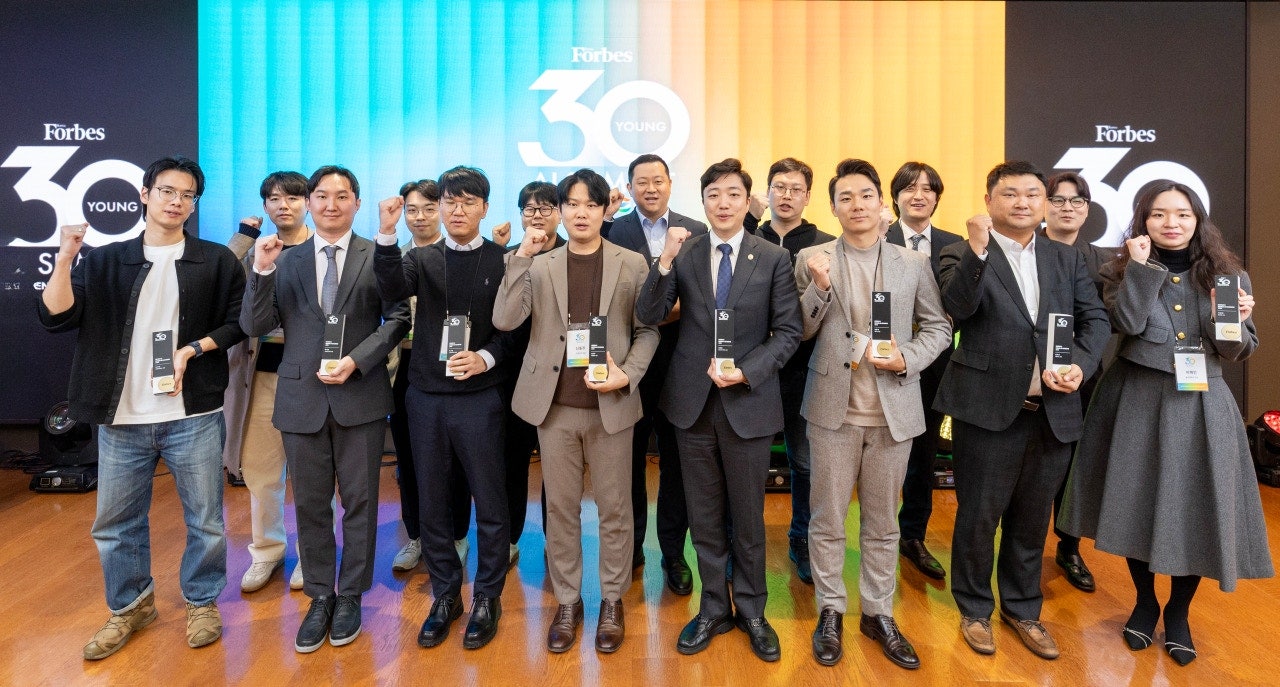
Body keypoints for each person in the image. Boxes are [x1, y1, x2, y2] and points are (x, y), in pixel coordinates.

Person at [39, 156, 246, 659]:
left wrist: (193, 349)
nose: (177, 202)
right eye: (168, 191)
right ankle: (131, 606)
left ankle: (201, 601)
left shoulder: (215, 260)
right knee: (115, 523)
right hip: (123, 418)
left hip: (191, 414)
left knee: (206, 521)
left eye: (188, 195)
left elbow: (239, 322)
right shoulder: (106, 259)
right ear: (144, 193)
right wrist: (66, 256)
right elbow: (56, 316)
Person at [1061, 180, 1273, 666]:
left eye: (1181, 214)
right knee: (1137, 505)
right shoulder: (1119, 271)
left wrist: (1238, 321)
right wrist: (1141, 268)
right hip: (1135, 399)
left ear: (1198, 221)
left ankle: (1178, 614)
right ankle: (1144, 602)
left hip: (1201, 407)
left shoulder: (1228, 275)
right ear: (1142, 221)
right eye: (1158, 214)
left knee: (1194, 512)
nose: (1170, 223)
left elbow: (1235, 351)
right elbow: (1130, 325)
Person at [933, 161, 1109, 661]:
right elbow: (958, 307)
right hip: (987, 409)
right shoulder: (959, 252)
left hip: (1053, 409)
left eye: (1035, 194)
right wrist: (978, 250)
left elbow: (1094, 319)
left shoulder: (1065, 257)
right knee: (978, 517)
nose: (1024, 202)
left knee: (1032, 520)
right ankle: (973, 608)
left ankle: (1023, 609)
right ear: (990, 201)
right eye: (1011, 194)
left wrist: (1079, 364)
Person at [636, 158, 801, 662]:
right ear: (703, 202)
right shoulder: (685, 254)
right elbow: (648, 313)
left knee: (748, 517)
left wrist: (747, 370)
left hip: (747, 402)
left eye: (733, 194)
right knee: (704, 515)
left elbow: (789, 332)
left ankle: (752, 609)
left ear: (748, 201)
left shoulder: (771, 257)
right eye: (713, 195)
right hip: (691, 404)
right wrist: (662, 262)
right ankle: (713, 607)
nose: (723, 203)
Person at [241, 165, 410, 653]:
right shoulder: (284, 258)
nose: (331, 204)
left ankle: (351, 594)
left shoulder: (374, 253)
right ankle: (319, 595)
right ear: (309, 204)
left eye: (342, 196)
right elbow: (255, 324)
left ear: (356, 203)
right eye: (321, 196)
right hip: (301, 399)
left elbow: (398, 316)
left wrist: (358, 360)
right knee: (311, 504)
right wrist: (262, 270)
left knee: (360, 503)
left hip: (360, 395)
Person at [494, 168, 658, 654]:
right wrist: (522, 255)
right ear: (560, 211)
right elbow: (505, 319)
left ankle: (611, 599)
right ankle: (568, 600)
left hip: (611, 405)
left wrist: (627, 372)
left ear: (607, 209)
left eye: (591, 204)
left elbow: (649, 330)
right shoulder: (540, 264)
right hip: (555, 407)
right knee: (560, 509)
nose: (581, 213)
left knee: (615, 509)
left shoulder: (631, 263)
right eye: (572, 204)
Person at [795, 159, 951, 669]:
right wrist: (817, 288)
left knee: (883, 524)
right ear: (834, 205)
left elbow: (938, 329)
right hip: (831, 411)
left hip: (893, 411)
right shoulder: (813, 257)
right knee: (827, 519)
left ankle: (878, 612)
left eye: (866, 196)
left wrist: (908, 358)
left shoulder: (912, 263)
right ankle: (831, 610)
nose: (857, 205)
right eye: (846, 197)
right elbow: (799, 331)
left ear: (881, 203)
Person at [374, 166, 515, 651]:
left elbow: (516, 327)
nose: (458, 210)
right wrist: (388, 234)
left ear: (483, 207)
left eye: (467, 202)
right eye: (449, 202)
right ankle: (446, 594)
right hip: (427, 397)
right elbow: (391, 287)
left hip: (481, 397)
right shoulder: (422, 258)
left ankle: (487, 597)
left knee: (490, 502)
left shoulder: (504, 260)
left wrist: (486, 357)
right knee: (432, 502)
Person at [606, 153, 708, 595]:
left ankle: (672, 553)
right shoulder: (613, 231)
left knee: (677, 466)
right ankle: (629, 551)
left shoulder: (696, 230)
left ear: (670, 183)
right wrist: (651, 312)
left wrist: (653, 312)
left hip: (679, 365)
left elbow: (701, 297)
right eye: (641, 181)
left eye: (658, 180)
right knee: (625, 464)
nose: (650, 188)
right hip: (627, 365)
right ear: (630, 187)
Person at [223, 171, 316, 593]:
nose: (285, 205)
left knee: (315, 473)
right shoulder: (254, 251)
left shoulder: (326, 246)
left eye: (294, 198)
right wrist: (244, 238)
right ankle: (267, 551)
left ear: (309, 203)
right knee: (261, 471)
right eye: (275, 199)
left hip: (313, 377)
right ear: (265, 207)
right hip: (260, 376)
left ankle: (313, 554)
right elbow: (218, 278)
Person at [748, 157, 835, 585]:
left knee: (805, 463)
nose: (786, 195)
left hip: (805, 371)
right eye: (778, 186)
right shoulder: (747, 236)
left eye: (795, 188)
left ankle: (801, 539)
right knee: (747, 464)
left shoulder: (825, 244)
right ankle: (743, 545)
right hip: (752, 371)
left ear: (808, 196)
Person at [384, 179, 475, 575]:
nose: (419, 217)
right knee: (408, 457)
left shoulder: (460, 253)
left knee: (455, 459)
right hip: (404, 367)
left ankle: (456, 534)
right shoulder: (393, 257)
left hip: (455, 366)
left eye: (427, 208)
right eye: (411, 209)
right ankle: (417, 535)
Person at [1038, 171, 1122, 593]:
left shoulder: (1105, 262)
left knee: (1076, 466)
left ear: (1087, 209)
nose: (1067, 207)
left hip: (1086, 379)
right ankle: (1025, 546)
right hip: (1031, 379)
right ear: (1043, 205)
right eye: (1058, 200)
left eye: (1076, 201)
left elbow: (1110, 320)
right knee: (1036, 465)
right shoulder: (1024, 252)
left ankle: (1069, 547)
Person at [884, 161, 963, 581]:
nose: (919, 195)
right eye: (910, 188)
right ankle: (876, 532)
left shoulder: (956, 244)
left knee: (925, 453)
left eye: (928, 189)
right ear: (895, 195)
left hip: (935, 364)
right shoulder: (877, 236)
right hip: (883, 362)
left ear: (937, 196)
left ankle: (912, 534)